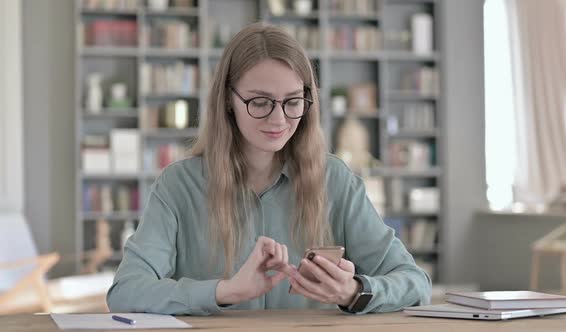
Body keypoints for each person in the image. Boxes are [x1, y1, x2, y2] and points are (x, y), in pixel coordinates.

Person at [106, 22, 431, 316]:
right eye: (260, 102)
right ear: (228, 102)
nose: (278, 120)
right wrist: (226, 290)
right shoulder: (179, 185)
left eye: (292, 101)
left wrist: (353, 292)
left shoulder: (335, 180)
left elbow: (415, 282)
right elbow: (126, 291)